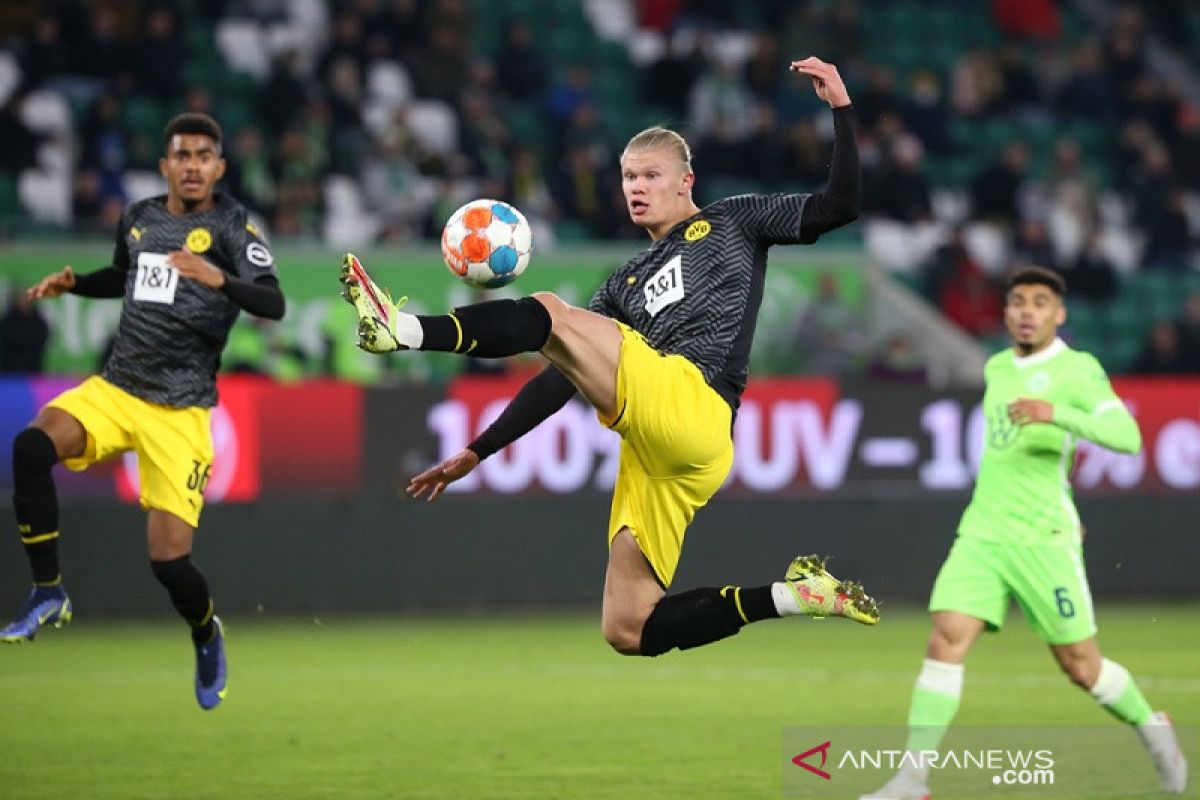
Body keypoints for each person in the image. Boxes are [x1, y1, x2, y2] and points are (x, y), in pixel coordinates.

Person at [338, 56, 879, 660]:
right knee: (629, 628)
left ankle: (404, 331)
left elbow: (840, 206)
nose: (636, 188)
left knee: (549, 309)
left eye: (650, 175)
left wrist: (841, 109)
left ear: (685, 181)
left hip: (694, 401)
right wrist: (477, 450)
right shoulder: (622, 282)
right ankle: (794, 595)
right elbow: (560, 377)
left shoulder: (734, 220)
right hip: (665, 454)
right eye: (627, 177)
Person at [861, 267, 1187, 799]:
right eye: (1017, 302)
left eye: (1039, 302)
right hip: (984, 531)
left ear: (1059, 314)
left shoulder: (1078, 370)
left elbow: (1125, 436)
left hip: (1044, 538)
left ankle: (1155, 730)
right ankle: (912, 780)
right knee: (945, 637)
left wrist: (1054, 413)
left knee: (1082, 668)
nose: (1027, 310)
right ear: (1007, 312)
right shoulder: (996, 366)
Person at [1, 113, 286, 712]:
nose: (192, 165)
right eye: (181, 155)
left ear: (219, 168)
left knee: (169, 562)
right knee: (31, 448)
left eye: (204, 156)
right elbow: (127, 277)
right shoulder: (140, 219)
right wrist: (76, 282)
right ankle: (47, 590)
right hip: (117, 387)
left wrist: (219, 278)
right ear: (165, 165)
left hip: (179, 413)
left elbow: (275, 301)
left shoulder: (235, 227)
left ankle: (206, 633)